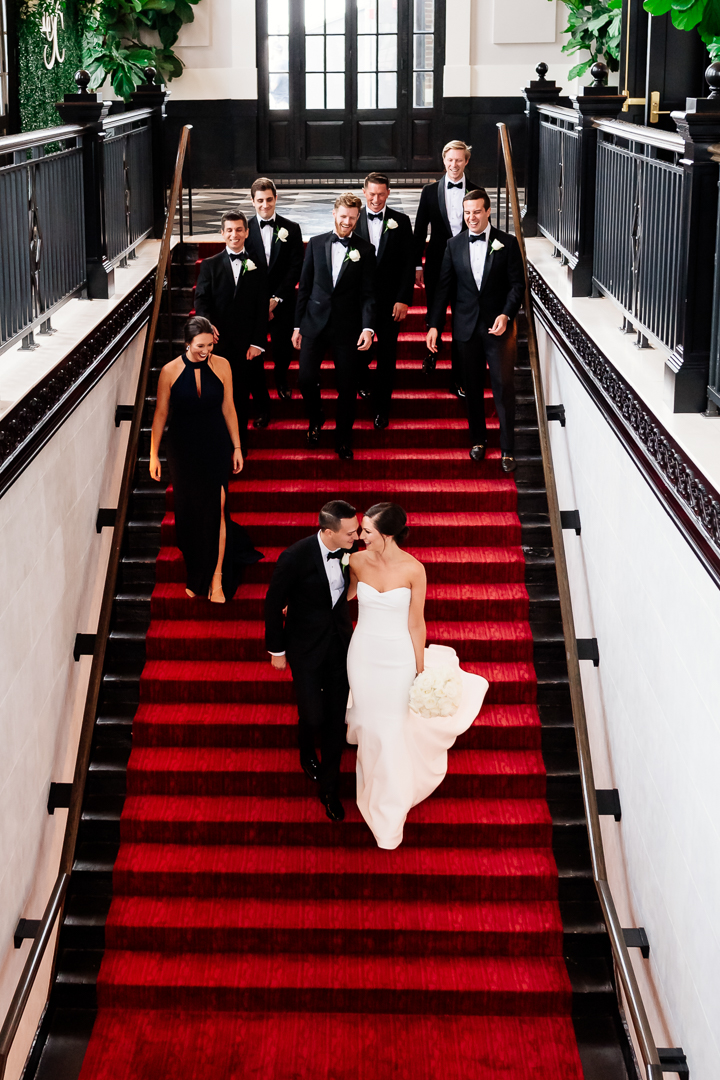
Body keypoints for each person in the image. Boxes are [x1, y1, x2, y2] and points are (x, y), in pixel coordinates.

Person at [346, 503, 488, 849]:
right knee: (370, 723)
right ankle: (372, 775)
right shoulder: (356, 562)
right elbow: (342, 596)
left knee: (392, 726)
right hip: (363, 653)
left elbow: (416, 622)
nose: (360, 535)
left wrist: (419, 668)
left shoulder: (414, 569)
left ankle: (389, 806)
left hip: (397, 657)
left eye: (367, 531)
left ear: (387, 534)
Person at [149, 316, 263, 603]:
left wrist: (237, 447)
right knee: (189, 514)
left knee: (218, 508)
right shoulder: (169, 371)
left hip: (215, 445)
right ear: (187, 343)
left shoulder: (223, 365)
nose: (206, 351)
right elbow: (161, 414)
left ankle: (217, 578)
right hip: (182, 450)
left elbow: (229, 408)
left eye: (210, 345)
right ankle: (196, 573)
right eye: (200, 346)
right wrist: (153, 454)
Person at [264, 500, 359, 822]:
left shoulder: (351, 553)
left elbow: (343, 592)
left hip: (340, 644)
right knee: (313, 716)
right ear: (328, 532)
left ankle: (329, 790)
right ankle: (306, 750)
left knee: (335, 719)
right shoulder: (295, 557)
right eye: (350, 533)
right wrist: (277, 651)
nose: (356, 537)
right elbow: (273, 602)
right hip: (304, 647)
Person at [426, 189, 525, 473]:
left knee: (503, 386)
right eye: (467, 212)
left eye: (476, 212)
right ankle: (478, 440)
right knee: (471, 387)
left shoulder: (507, 243)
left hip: (498, 329)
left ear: (488, 211)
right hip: (466, 328)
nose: (471, 217)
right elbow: (443, 289)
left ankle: (507, 449)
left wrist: (506, 315)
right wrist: (434, 326)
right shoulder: (453, 245)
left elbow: (517, 285)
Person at [292, 193, 376, 461]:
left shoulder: (365, 250)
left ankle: (343, 439)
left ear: (358, 218)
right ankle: (316, 417)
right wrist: (297, 325)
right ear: (334, 214)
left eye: (352, 218)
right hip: (314, 323)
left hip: (347, 327)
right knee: (305, 378)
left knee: (347, 387)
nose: (347, 222)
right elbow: (304, 287)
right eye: (343, 217)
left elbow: (368, 294)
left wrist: (368, 328)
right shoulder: (316, 244)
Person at [193, 210, 270, 453]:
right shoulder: (210, 265)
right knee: (216, 395)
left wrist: (257, 343)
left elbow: (261, 308)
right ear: (222, 233)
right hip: (218, 344)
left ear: (247, 232)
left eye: (239, 230)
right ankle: (218, 447)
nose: (234, 234)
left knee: (240, 397)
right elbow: (201, 300)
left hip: (246, 345)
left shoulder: (258, 266)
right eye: (229, 230)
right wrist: (207, 325)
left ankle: (239, 446)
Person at [413, 140, 481, 393]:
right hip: (436, 264)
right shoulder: (429, 191)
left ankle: (458, 377)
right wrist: (417, 265)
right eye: (450, 160)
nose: (454, 164)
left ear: (466, 161)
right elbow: (420, 231)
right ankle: (432, 353)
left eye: (459, 160)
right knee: (435, 313)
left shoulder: (477, 191)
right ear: (444, 160)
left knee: (462, 322)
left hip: (466, 266)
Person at [354, 172, 416, 430]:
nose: (376, 199)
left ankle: (382, 409)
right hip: (358, 304)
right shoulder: (352, 218)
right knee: (359, 352)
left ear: (388, 193)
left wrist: (403, 299)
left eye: (381, 194)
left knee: (387, 357)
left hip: (391, 303)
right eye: (372, 194)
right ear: (364, 192)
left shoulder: (401, 221)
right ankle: (362, 381)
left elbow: (408, 264)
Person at [246, 177, 304, 402]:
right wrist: (261, 303)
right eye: (260, 200)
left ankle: (281, 379)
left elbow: (295, 267)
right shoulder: (244, 229)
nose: (265, 205)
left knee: (282, 348)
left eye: (269, 199)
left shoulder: (292, 229)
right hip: (253, 303)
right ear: (253, 201)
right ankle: (259, 393)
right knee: (254, 349)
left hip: (283, 300)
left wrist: (277, 298)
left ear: (276, 198)